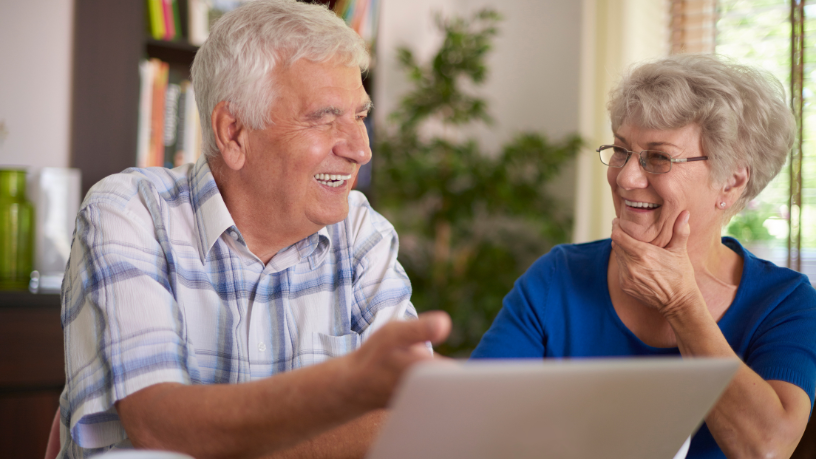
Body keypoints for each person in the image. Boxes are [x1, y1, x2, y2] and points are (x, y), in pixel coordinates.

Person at [57, 1, 451, 458]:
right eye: (324, 117)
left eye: (360, 117)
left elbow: (413, 416)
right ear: (233, 133)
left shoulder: (363, 232)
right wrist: (343, 390)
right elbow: (157, 422)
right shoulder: (130, 212)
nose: (360, 150)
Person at [472, 53, 816, 459]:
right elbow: (477, 422)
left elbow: (766, 448)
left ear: (731, 182)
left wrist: (682, 305)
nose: (626, 177)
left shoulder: (784, 303)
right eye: (620, 150)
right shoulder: (558, 278)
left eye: (658, 158)